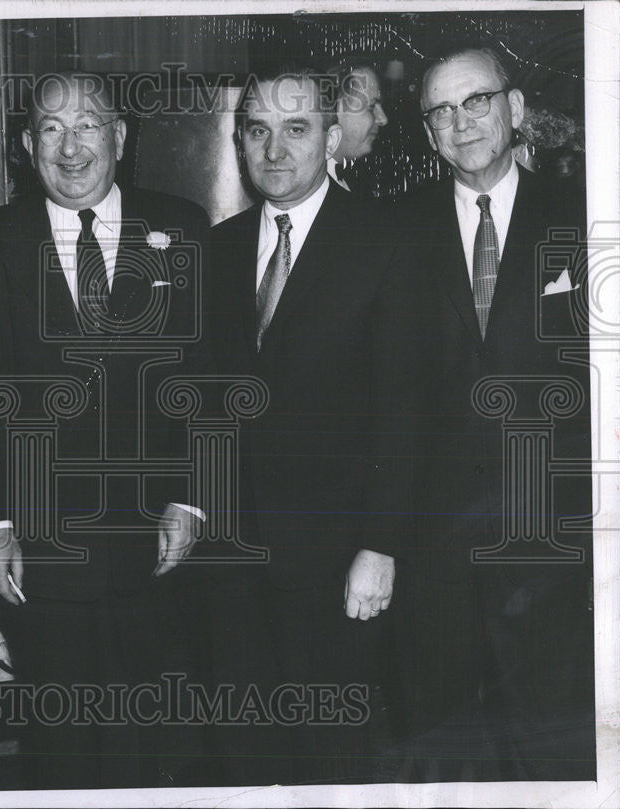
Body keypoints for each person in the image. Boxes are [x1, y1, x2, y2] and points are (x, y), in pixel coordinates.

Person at [0, 71, 212, 790]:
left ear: (119, 137)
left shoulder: (183, 227)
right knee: (58, 747)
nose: (71, 147)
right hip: (40, 551)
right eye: (52, 130)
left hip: (157, 540)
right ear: (28, 146)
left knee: (150, 744)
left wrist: (192, 498)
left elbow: (208, 375)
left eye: (88, 125)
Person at [384, 44, 594, 781]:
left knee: (551, 748)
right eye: (440, 110)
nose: (459, 121)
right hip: (432, 550)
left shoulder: (587, 218)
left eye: (475, 101)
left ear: (515, 109)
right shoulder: (393, 231)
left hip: (552, 547)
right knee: (435, 748)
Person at [207, 63, 411, 785]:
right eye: (257, 130)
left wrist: (380, 545)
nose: (274, 149)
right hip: (232, 569)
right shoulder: (220, 248)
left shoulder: (386, 242)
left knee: (332, 758)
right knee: (244, 759)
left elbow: (404, 409)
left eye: (296, 129)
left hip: (337, 566)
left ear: (331, 135)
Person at [326, 58, 389, 190]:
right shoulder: (304, 188)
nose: (383, 119)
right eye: (371, 107)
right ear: (335, 109)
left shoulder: (356, 179)